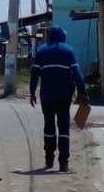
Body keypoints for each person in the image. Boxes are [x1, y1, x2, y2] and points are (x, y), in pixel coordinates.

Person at [29, 25, 89, 172]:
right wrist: (83, 92)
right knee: (63, 128)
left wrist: (32, 92)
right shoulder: (69, 51)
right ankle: (64, 163)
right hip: (64, 97)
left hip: (47, 98)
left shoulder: (41, 52)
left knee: (49, 127)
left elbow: (34, 74)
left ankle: (49, 160)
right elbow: (77, 74)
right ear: (62, 36)